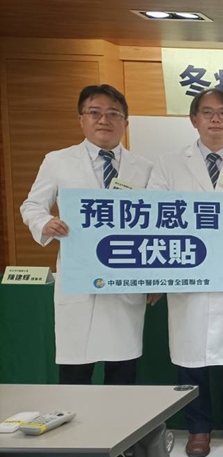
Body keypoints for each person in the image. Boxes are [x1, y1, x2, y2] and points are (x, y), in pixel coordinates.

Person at [147, 88, 223, 457]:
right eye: (207, 112)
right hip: (189, 277)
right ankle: (197, 429)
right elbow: (153, 219)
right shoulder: (169, 165)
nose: (216, 119)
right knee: (191, 358)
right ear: (194, 119)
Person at [21, 84, 153, 385]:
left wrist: (154, 277)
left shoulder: (144, 168)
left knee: (123, 370)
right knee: (75, 371)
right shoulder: (57, 161)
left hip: (125, 280)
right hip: (78, 279)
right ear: (81, 119)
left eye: (113, 114)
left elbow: (156, 226)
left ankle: (119, 418)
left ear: (125, 123)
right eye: (95, 112)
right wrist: (45, 223)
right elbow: (32, 205)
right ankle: (75, 419)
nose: (104, 120)